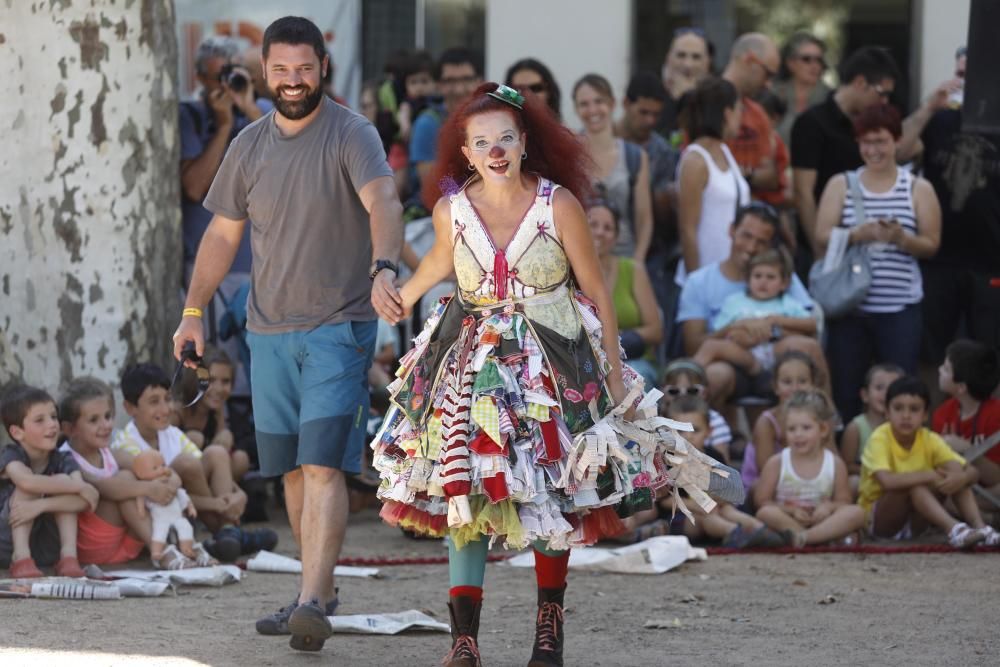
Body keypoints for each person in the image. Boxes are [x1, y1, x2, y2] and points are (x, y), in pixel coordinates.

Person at [372, 82, 733, 666]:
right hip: (470, 361)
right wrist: (399, 293)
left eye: (505, 139)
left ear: (523, 143)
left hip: (554, 361)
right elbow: (443, 261)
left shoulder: (558, 203)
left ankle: (549, 630)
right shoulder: (450, 208)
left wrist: (615, 373)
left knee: (551, 494)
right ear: (465, 152)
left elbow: (595, 290)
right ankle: (464, 642)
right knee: (467, 487)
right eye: (481, 142)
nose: (494, 151)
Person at [171, 16, 405, 652]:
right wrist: (192, 313)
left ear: (323, 67)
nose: (293, 81)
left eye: (305, 69)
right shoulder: (247, 144)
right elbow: (222, 234)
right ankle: (318, 592)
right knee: (293, 476)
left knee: (321, 465)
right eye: (282, 70)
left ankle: (308, 601)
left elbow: (383, 201)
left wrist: (385, 263)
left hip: (340, 326)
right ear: (267, 69)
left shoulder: (352, 133)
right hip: (266, 331)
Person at [814, 103, 941, 420]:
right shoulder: (841, 183)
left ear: (896, 141)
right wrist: (859, 234)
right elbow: (821, 234)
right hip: (849, 307)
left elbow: (931, 244)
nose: (873, 149)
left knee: (901, 390)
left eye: (881, 141)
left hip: (900, 308)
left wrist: (902, 239)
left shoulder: (917, 187)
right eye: (866, 142)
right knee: (845, 388)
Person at [111, 364, 272, 562]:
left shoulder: (171, 434)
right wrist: (217, 505)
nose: (165, 408)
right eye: (154, 402)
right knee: (186, 464)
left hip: (188, 508)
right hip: (162, 516)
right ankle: (229, 533)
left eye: (168, 399)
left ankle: (228, 533)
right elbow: (166, 494)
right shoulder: (127, 445)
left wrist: (238, 494)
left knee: (216, 453)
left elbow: (201, 466)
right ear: (130, 408)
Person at [676, 204, 828, 408]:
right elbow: (693, 345)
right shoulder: (699, 282)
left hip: (781, 362)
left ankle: (826, 414)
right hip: (733, 363)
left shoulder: (782, 276)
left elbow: (809, 330)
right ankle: (684, 417)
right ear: (731, 230)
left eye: (761, 242)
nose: (751, 247)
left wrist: (770, 330)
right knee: (713, 376)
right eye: (746, 236)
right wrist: (735, 330)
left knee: (809, 348)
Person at [791, 46, 933, 259]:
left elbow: (905, 148)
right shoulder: (812, 123)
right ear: (860, 83)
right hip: (825, 246)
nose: (885, 101)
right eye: (882, 93)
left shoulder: (872, 124)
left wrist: (929, 109)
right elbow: (804, 194)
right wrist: (820, 253)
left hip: (874, 253)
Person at [918, 47, 1000, 379]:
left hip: (990, 260)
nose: (964, 82)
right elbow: (899, 150)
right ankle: (933, 422)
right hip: (939, 259)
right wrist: (928, 107)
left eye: (972, 75)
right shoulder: (939, 121)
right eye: (960, 74)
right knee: (932, 353)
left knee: (989, 356)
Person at [60, 378, 190, 569]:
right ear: (70, 429)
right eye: (94, 420)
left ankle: (175, 544)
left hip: (128, 546)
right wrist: (148, 488)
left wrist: (169, 484)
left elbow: (159, 469)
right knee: (127, 481)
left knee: (143, 474)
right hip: (93, 547)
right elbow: (103, 487)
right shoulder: (66, 458)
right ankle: (162, 552)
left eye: (108, 416)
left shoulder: (110, 452)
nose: (105, 425)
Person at [859, 376, 999, 547]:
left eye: (914, 409)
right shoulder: (879, 438)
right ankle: (955, 530)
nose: (906, 416)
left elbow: (971, 471)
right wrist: (930, 475)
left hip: (916, 523)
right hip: (881, 522)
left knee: (955, 477)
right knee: (917, 486)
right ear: (887, 413)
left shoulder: (929, 438)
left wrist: (961, 477)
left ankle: (981, 528)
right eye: (898, 408)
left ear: (925, 415)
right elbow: (887, 481)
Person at [663, 396, 784, 548]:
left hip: (715, 508)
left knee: (727, 509)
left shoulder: (714, 456)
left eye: (695, 430)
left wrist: (721, 498)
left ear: (709, 431)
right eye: (680, 431)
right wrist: (697, 506)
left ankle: (761, 530)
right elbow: (663, 499)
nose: (688, 436)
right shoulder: (667, 460)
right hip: (683, 516)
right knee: (707, 516)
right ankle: (735, 533)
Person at [0, 385, 95, 578]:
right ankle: (21, 558)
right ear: (18, 432)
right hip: (6, 544)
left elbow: (84, 501)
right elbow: (26, 482)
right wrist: (79, 486)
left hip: (48, 548)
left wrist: (41, 505)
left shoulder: (63, 458)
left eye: (53, 417)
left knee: (61, 482)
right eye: (39, 420)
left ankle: (69, 558)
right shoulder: (11, 454)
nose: (52, 424)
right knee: (34, 485)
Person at [755, 390, 865, 546]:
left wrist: (828, 508)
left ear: (823, 430)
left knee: (857, 513)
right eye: (792, 429)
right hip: (789, 522)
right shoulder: (777, 462)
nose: (798, 434)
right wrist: (790, 511)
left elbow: (843, 502)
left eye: (806, 428)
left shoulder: (834, 463)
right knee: (765, 514)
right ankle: (812, 537)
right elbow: (763, 502)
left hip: (823, 522)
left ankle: (806, 538)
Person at [694, 246, 815, 376]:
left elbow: (811, 324)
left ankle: (823, 394)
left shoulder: (787, 303)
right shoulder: (735, 302)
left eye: (770, 277)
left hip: (778, 353)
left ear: (784, 284)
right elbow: (723, 332)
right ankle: (688, 376)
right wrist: (742, 330)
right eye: (757, 276)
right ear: (747, 279)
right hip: (746, 355)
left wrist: (776, 321)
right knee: (711, 345)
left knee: (808, 345)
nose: (763, 282)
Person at [675, 77, 750, 285]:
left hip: (734, 275)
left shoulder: (725, 151)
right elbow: (687, 229)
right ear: (727, 113)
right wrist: (696, 284)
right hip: (706, 277)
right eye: (739, 110)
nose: (741, 117)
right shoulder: (695, 161)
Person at [573, 73, 654, 261]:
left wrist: (638, 262)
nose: (592, 109)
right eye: (584, 104)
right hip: (581, 260)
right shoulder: (570, 155)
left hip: (624, 259)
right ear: (576, 109)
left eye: (599, 101)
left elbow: (644, 219)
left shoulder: (635, 156)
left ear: (612, 104)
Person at [587, 197, 662, 388]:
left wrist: (619, 338)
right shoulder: (567, 272)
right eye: (592, 224)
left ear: (616, 236)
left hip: (633, 358)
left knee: (634, 379)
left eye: (608, 228)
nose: (600, 232)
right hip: (588, 361)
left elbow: (656, 330)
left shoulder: (632, 270)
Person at [615, 71, 682, 260]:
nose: (650, 121)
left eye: (656, 114)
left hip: (647, 254)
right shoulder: (602, 140)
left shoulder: (662, 152)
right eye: (643, 112)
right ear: (626, 104)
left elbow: (663, 221)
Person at [721, 33, 788, 207]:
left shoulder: (758, 114)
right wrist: (749, 175)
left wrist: (742, 175)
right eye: (767, 74)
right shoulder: (702, 104)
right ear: (749, 59)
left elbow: (771, 177)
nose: (768, 84)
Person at [742, 351, 823, 491]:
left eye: (802, 381)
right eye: (787, 382)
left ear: (813, 385)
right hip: (772, 488)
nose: (795, 388)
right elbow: (766, 472)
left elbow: (833, 461)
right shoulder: (767, 423)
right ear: (775, 387)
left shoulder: (821, 417)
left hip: (810, 484)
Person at [410, 48, 483, 200]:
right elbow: (433, 181)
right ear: (439, 85)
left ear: (479, 81)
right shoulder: (428, 124)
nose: (458, 89)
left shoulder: (491, 120)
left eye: (467, 79)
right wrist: (465, 200)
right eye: (450, 81)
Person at [933, 340, 1000, 493]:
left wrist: (967, 449)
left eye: (946, 369)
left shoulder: (996, 414)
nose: (939, 369)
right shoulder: (942, 414)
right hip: (957, 485)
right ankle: (982, 515)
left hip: (990, 487)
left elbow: (995, 478)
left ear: (961, 387)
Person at [175, 348, 250, 482]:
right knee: (194, 439)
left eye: (225, 381)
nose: (219, 389)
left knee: (240, 459)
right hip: (179, 479)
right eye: (211, 380)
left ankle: (223, 498)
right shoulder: (178, 411)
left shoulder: (216, 410)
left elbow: (221, 451)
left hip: (207, 476)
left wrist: (224, 433)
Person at [840, 363, 905, 492]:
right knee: (853, 482)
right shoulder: (856, 428)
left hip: (900, 481)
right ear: (865, 395)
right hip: (869, 481)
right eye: (879, 387)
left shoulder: (906, 425)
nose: (886, 393)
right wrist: (877, 472)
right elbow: (847, 465)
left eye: (893, 388)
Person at [659, 359, 732, 463]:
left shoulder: (715, 421)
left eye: (692, 391)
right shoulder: (654, 420)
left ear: (705, 392)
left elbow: (725, 468)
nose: (683, 396)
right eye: (674, 391)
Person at [657, 27, 713, 144]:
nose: (688, 64)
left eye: (696, 57)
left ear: (707, 63)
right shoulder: (653, 93)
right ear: (668, 59)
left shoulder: (716, 99)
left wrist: (688, 98)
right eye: (681, 55)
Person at [772, 33, 830, 147]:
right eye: (806, 59)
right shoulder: (774, 94)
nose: (815, 65)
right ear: (791, 63)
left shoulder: (830, 97)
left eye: (819, 60)